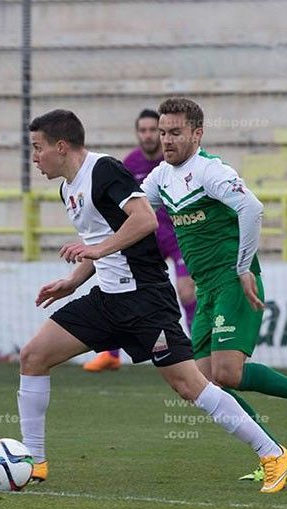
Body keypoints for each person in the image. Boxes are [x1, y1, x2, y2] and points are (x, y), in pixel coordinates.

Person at [19, 109, 287, 494]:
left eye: (37, 148)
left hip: (145, 300)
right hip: (107, 299)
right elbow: (104, 243)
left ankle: (272, 452)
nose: (34, 157)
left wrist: (96, 252)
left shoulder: (104, 171)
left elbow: (144, 220)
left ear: (60, 146)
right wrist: (72, 281)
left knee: (190, 386)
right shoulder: (68, 189)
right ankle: (33, 461)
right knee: (33, 356)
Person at [142, 97, 287, 481]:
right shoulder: (159, 178)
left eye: (175, 133)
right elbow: (136, 213)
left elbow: (252, 208)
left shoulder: (210, 171)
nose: (166, 140)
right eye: (163, 132)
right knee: (201, 385)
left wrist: (242, 267)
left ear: (197, 134)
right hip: (205, 289)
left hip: (235, 281)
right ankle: (276, 453)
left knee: (228, 373)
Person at [84, 109, 197, 372]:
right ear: (137, 133)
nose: (148, 135)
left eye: (152, 130)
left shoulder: (173, 161)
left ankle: (197, 351)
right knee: (119, 284)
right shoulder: (129, 163)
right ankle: (111, 355)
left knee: (186, 290)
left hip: (176, 236)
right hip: (144, 238)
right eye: (142, 130)